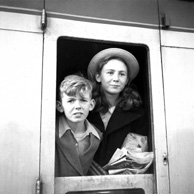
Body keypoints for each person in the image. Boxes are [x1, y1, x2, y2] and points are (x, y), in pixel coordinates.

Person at [87, 48, 148, 167]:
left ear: (127, 81)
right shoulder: (85, 109)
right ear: (98, 77)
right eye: (110, 72)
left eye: (122, 74)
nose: (116, 79)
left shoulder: (137, 113)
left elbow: (138, 155)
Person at [55, 75, 102, 177]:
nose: (77, 106)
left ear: (91, 105)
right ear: (60, 106)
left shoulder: (96, 136)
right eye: (71, 101)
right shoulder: (51, 132)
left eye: (83, 100)